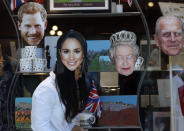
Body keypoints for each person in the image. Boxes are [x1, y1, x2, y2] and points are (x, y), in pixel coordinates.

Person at [31, 30, 89, 131]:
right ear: (59, 54)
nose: (71, 57)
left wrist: (77, 127)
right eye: (66, 51)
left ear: (83, 55)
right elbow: (39, 128)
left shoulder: (68, 85)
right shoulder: (47, 89)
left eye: (77, 51)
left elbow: (65, 123)